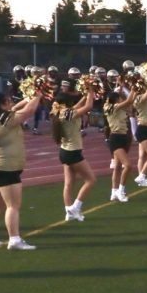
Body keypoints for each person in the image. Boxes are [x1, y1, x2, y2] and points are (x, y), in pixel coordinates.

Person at [0, 89, 44, 250]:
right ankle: (14, 239)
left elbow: (16, 109)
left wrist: (29, 96)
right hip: (6, 168)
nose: (11, 103)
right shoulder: (6, 119)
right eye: (8, 101)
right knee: (13, 206)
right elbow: (29, 110)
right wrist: (38, 96)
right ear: (1, 105)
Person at [52, 85, 97, 221]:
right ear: (66, 104)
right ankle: (75, 207)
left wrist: (85, 95)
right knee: (91, 180)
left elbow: (77, 106)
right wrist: (90, 92)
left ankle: (68, 212)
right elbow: (88, 107)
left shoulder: (60, 112)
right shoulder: (67, 113)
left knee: (68, 183)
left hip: (65, 151)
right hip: (73, 152)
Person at [103, 86, 137, 201]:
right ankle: (121, 191)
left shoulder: (117, 107)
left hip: (123, 136)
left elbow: (130, 105)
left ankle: (114, 192)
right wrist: (134, 89)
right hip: (116, 138)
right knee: (127, 165)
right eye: (119, 98)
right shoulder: (113, 107)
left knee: (117, 167)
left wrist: (122, 86)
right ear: (116, 100)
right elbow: (129, 101)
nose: (121, 100)